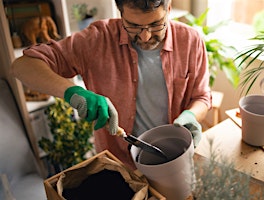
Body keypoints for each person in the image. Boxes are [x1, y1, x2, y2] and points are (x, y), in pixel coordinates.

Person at [11, 0, 211, 170]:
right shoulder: (96, 39)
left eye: (156, 24)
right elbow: (22, 66)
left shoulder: (191, 41)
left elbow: (201, 97)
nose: (145, 37)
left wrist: (191, 115)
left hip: (175, 159)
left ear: (168, 9)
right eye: (133, 26)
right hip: (118, 164)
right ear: (120, 13)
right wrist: (73, 92)